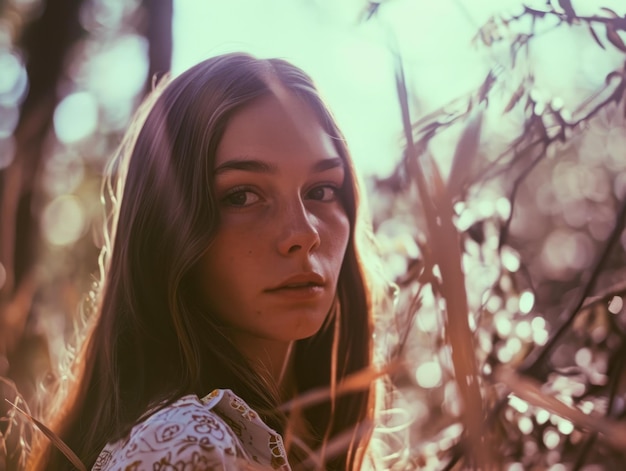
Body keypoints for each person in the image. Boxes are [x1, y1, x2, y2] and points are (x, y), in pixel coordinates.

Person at [28, 52, 379, 471]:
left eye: (321, 190)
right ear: (167, 229)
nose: (304, 233)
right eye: (242, 196)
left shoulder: (288, 439)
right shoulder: (190, 446)